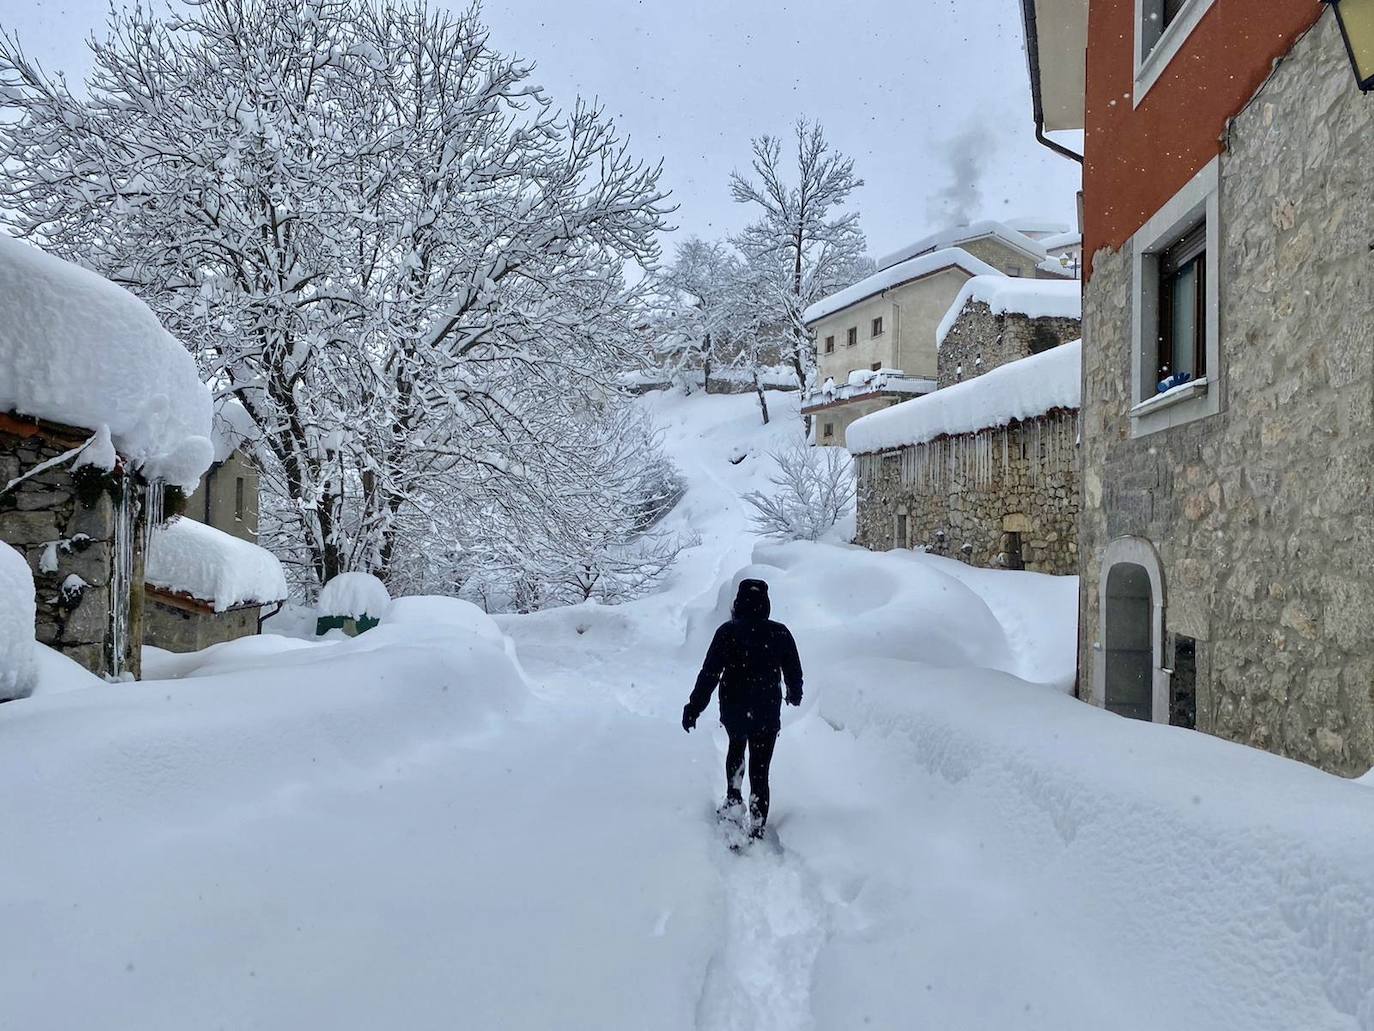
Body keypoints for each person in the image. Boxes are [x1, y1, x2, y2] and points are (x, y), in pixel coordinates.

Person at [682, 578, 803, 839]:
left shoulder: (727, 633)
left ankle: (734, 801)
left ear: (738, 603)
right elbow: (793, 671)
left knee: (736, 749)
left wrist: (694, 707)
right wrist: (794, 694)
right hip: (767, 712)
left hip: (735, 709)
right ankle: (757, 824)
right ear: (766, 604)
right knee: (761, 769)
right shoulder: (780, 633)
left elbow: (710, 674)